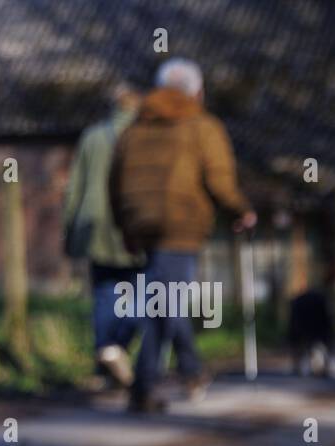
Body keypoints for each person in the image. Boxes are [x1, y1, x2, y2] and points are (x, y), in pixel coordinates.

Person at [109, 58, 256, 412]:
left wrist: (126, 227)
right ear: (197, 92)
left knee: (167, 298)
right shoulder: (203, 127)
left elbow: (114, 184)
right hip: (181, 225)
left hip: (143, 225)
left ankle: (186, 370)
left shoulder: (132, 129)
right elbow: (219, 180)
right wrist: (242, 210)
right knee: (166, 304)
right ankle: (146, 387)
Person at [62, 82, 144, 388]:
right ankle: (118, 347)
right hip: (131, 225)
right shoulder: (143, 136)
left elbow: (74, 188)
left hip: (93, 225)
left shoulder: (92, 136)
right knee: (143, 295)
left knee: (104, 294)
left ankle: (105, 355)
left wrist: (69, 231)